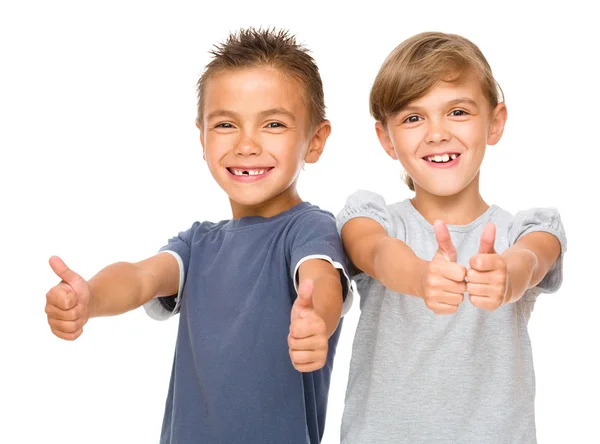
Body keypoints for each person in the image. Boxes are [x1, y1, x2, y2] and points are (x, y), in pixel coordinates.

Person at [45, 28, 352, 444]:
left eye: (273, 124)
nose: (246, 144)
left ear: (314, 141)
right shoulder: (197, 244)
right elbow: (140, 277)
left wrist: (317, 320)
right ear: (202, 138)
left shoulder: (308, 228)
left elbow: (319, 281)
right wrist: (90, 299)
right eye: (226, 124)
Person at [337, 31, 566, 443]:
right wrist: (420, 276)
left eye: (457, 112)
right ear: (386, 139)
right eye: (412, 117)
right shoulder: (374, 220)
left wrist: (508, 277)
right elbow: (374, 251)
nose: (436, 133)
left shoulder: (522, 231)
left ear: (495, 122)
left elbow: (532, 258)